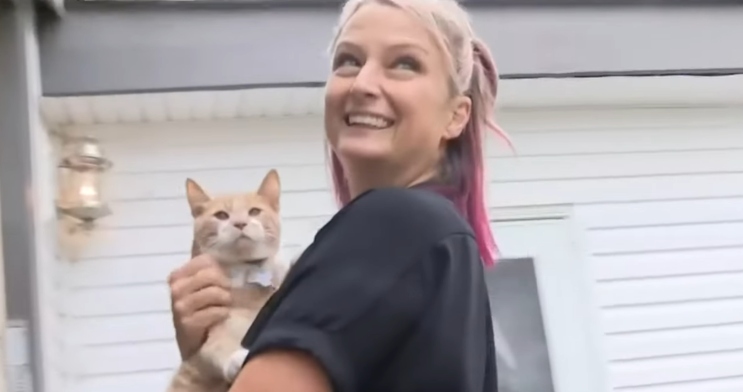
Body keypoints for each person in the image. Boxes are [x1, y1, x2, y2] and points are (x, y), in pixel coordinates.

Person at [167, 0, 510, 390]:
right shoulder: (442, 242)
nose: (363, 83)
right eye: (348, 60)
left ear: (456, 115)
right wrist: (206, 358)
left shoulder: (394, 221)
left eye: (404, 64)